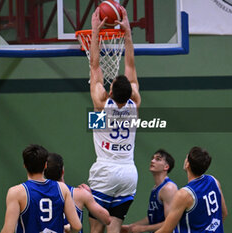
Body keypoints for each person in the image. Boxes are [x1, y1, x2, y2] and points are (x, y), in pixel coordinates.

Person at [88, 5, 141, 233]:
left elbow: (94, 65)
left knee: (96, 229)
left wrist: (95, 32)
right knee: (114, 229)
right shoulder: (135, 103)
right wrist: (127, 33)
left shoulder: (101, 103)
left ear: (110, 92)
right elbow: (130, 64)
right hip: (129, 172)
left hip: (106, 171)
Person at [0, 145, 82, 233]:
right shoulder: (62, 189)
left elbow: (8, 231)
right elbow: (77, 226)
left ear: (25, 165)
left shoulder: (17, 192)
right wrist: (67, 229)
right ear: (45, 165)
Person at [155, 147, 228, 233]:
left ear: (187, 165)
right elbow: (224, 214)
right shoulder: (214, 181)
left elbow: (166, 230)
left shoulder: (184, 195)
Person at [44, 152, 111, 233]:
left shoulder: (34, 194)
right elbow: (106, 219)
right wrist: (91, 198)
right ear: (62, 171)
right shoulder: (80, 194)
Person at [121, 149, 179, 233]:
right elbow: (151, 217)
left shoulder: (169, 188)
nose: (152, 161)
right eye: (152, 158)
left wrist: (143, 229)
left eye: (158, 159)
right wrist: (132, 227)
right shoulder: (156, 188)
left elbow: (170, 223)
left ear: (166, 167)